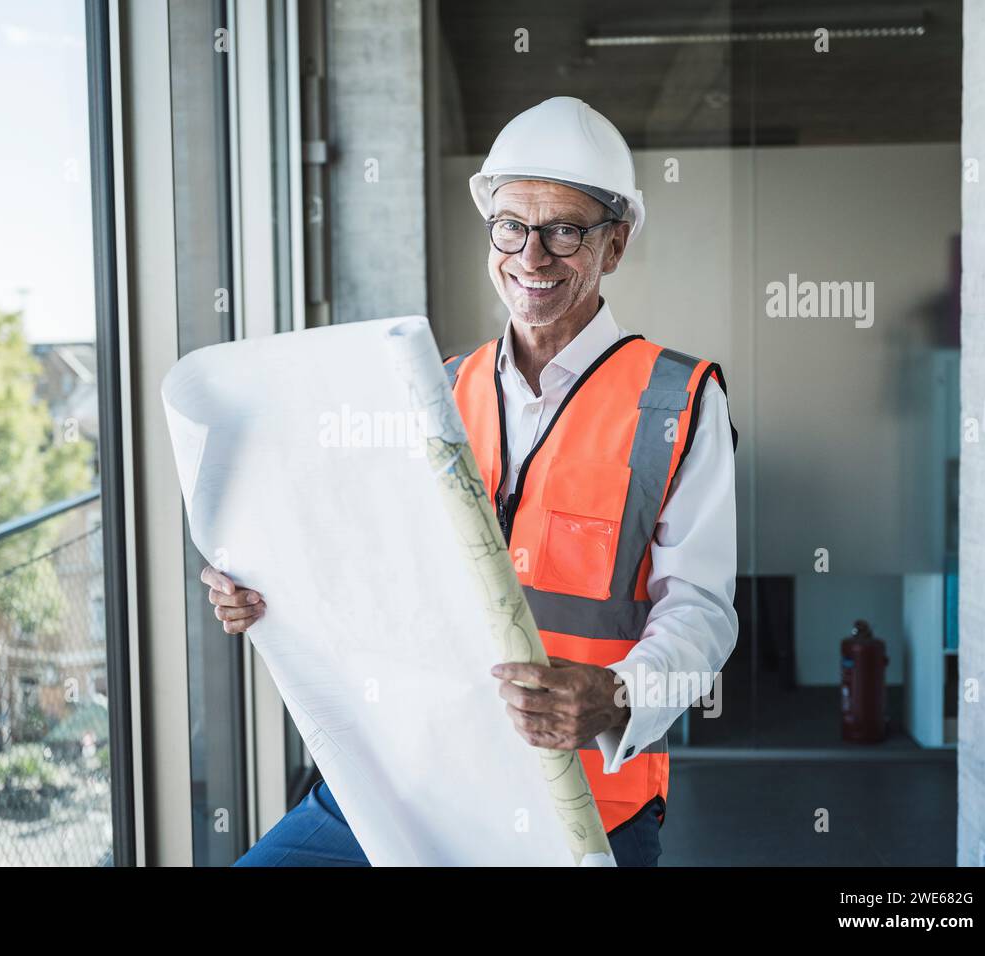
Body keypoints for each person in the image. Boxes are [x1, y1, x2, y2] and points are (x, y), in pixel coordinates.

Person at [204, 97, 738, 867]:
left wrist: (614, 695)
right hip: (407, 775)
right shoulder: (436, 391)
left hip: (581, 797)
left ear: (614, 246)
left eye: (565, 230)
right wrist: (268, 590)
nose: (532, 256)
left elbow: (702, 613)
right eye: (512, 226)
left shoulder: (678, 402)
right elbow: (373, 569)